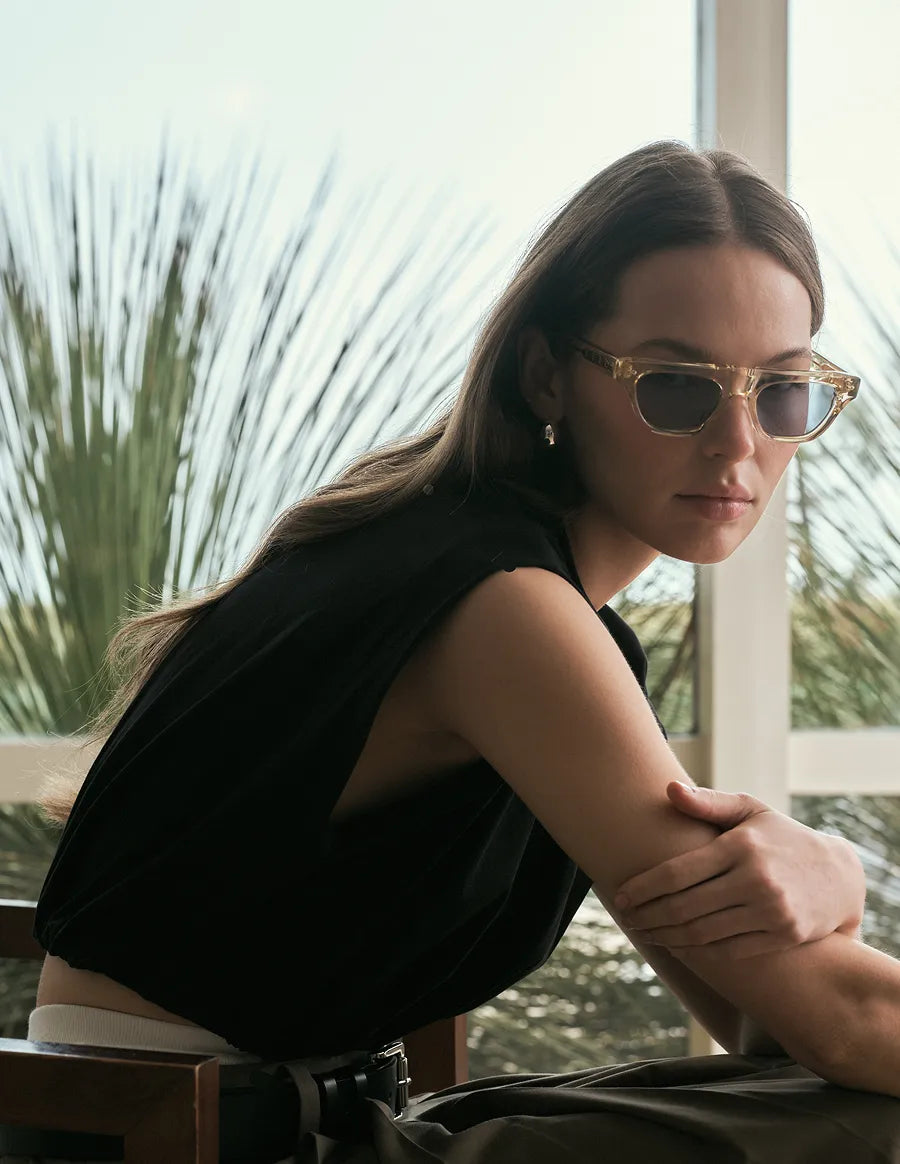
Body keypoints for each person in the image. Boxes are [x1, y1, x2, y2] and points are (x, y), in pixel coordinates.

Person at [8, 138, 900, 1163]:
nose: (739, 445)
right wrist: (844, 874)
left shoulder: (486, 574)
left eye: (783, 392)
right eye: (677, 387)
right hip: (191, 1141)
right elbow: (836, 1023)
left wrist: (831, 873)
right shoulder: (504, 611)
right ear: (546, 376)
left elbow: (770, 1021)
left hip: (259, 1120)